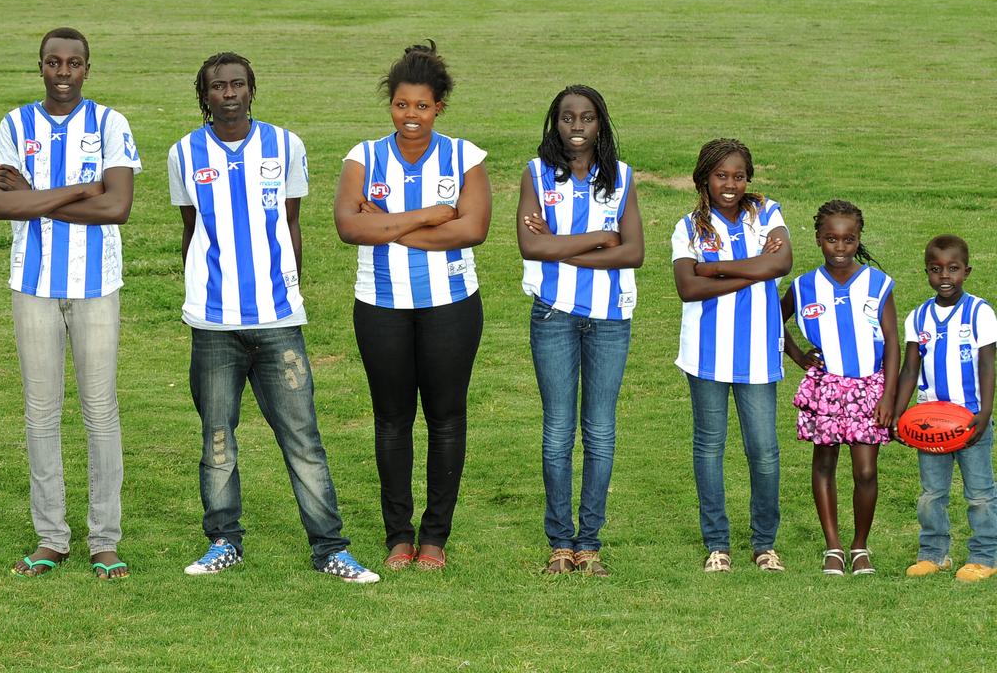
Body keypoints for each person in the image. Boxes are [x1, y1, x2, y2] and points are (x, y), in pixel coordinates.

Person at [169, 51, 378, 583]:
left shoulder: (285, 146)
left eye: (238, 84)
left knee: (302, 438)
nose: (229, 94)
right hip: (214, 323)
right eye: (218, 86)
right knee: (218, 439)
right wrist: (199, 293)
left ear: (252, 89)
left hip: (278, 319)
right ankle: (223, 541)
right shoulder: (184, 153)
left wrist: (288, 290)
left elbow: (291, 223)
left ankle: (331, 548)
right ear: (205, 94)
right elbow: (191, 230)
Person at [0, 28, 139, 580]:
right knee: (41, 413)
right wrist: (80, 189)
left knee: (101, 413)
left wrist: (38, 196)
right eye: (54, 62)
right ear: (41, 67)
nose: (64, 72)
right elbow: (1, 207)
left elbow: (117, 206)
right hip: (33, 285)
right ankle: (51, 537)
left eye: (74, 63)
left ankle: (104, 540)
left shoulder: (110, 124)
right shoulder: (14, 124)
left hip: (97, 284)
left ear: (87, 69)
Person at [334, 42, 492, 572]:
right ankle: (398, 535)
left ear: (438, 108)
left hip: (451, 305)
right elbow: (349, 226)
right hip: (380, 305)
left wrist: (389, 226)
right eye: (402, 105)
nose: (410, 117)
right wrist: (427, 216)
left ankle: (435, 537)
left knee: (446, 420)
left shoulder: (465, 156)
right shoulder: (364, 156)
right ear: (391, 105)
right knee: (392, 421)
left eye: (421, 107)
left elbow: (473, 229)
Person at [516, 85, 642, 576]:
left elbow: (633, 252)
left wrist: (559, 246)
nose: (576, 126)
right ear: (555, 123)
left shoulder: (623, 178)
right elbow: (529, 246)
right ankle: (559, 543)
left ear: (600, 125)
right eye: (566, 118)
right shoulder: (536, 173)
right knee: (557, 431)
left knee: (601, 431)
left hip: (610, 318)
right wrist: (597, 240)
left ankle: (589, 542)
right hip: (553, 314)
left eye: (586, 118)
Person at [671, 138, 791, 573]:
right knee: (709, 448)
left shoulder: (767, 213)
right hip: (706, 354)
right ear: (704, 178)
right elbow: (688, 288)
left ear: (748, 179)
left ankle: (764, 544)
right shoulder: (688, 228)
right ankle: (717, 545)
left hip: (758, 353)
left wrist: (715, 268)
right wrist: (751, 268)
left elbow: (780, 266)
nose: (730, 184)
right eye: (721, 175)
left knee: (763, 451)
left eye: (739, 176)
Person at [781, 200, 898, 575]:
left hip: (869, 388)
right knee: (825, 464)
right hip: (826, 388)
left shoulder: (878, 284)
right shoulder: (804, 286)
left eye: (848, 239)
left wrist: (889, 396)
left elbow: (894, 344)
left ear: (858, 239)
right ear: (818, 239)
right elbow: (771, 320)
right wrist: (799, 357)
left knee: (865, 470)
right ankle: (833, 547)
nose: (840, 247)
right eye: (831, 239)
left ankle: (860, 546)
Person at [894, 234, 997, 582]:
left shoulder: (980, 312)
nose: (945, 276)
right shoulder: (918, 317)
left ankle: (984, 555)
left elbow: (987, 364)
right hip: (929, 422)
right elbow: (910, 369)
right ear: (927, 272)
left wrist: (983, 413)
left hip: (970, 421)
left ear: (966, 271)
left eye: (953, 269)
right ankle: (934, 553)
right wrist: (898, 413)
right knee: (931, 494)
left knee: (980, 494)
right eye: (936, 270)